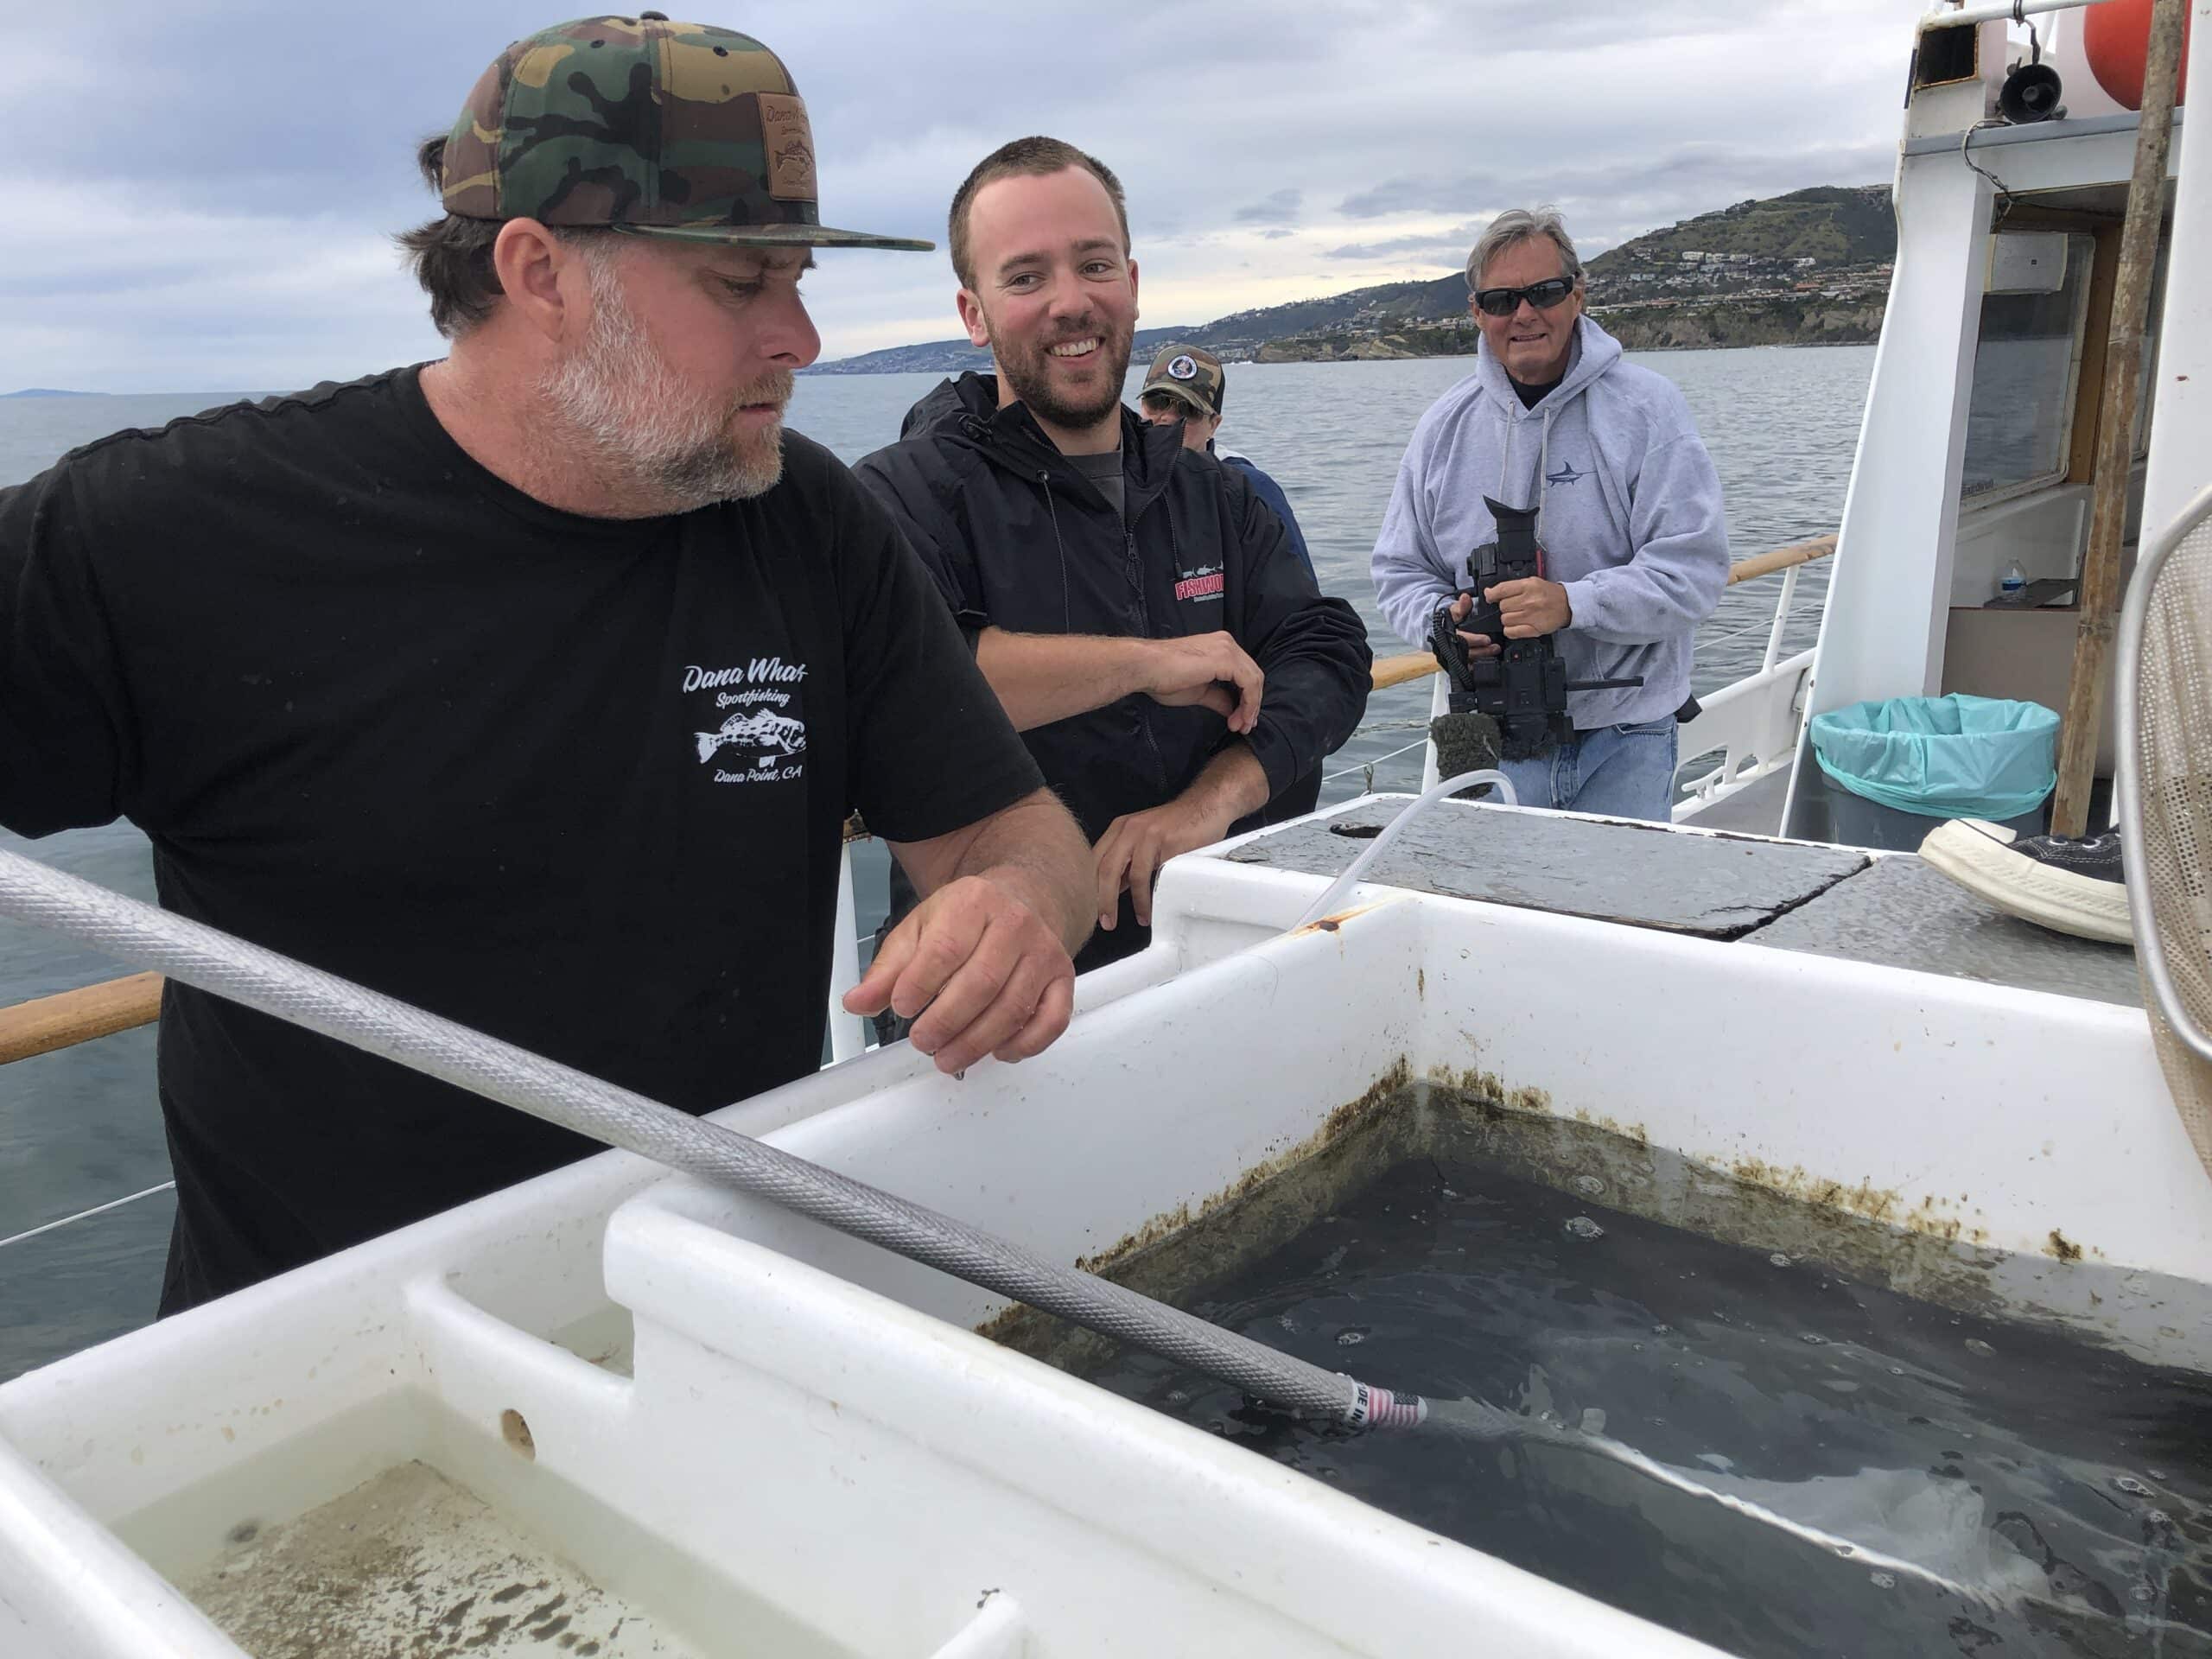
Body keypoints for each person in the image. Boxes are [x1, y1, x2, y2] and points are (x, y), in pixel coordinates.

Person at [0, 16, 1097, 1314]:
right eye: (743, 285)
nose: (799, 336)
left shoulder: (806, 522)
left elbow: (1009, 830)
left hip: (712, 1310)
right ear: (539, 272)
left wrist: (1021, 908)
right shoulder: (168, 536)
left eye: (798, 278)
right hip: (322, 1383)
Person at [854, 137, 1370, 976]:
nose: (1069, 303)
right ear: (972, 313)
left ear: (1131, 286)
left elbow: (1329, 655)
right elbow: (905, 686)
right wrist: (1146, 663)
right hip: (998, 992)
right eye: (1025, 277)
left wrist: (1208, 804)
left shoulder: (1213, 495)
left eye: (1093, 265)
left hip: (1219, 947)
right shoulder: (904, 497)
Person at [1369, 207, 1729, 821]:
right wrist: (1447, 622)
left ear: (1578, 295)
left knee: (1616, 916)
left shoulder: (1649, 411)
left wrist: (1572, 602)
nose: (1525, 314)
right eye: (1503, 300)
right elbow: (1399, 571)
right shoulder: (1441, 430)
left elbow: (1693, 574)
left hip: (1628, 738)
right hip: (1492, 741)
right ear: (1477, 312)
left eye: (1545, 292)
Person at [1137, 343, 1316, 582]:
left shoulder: (1251, 490)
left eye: (1188, 409)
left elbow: (1298, 593)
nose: (1168, 418)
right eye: (1157, 402)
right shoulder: (1118, 480)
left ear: (1214, 424)